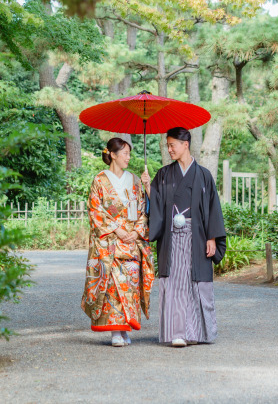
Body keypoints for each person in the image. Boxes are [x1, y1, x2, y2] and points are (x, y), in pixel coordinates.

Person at [147, 127, 226, 347]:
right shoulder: (163, 174)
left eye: (172, 144)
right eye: (168, 145)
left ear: (185, 144)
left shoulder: (203, 175)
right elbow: (158, 205)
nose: (169, 149)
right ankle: (178, 333)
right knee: (174, 283)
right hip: (172, 237)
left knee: (196, 283)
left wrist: (212, 237)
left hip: (197, 236)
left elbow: (213, 208)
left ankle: (198, 333)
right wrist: (147, 186)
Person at [81, 137, 155, 347]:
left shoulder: (135, 180)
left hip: (131, 240)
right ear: (112, 154)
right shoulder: (100, 180)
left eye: (129, 154)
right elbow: (95, 211)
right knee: (112, 286)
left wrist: (137, 231)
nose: (128, 158)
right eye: (125, 154)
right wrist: (118, 230)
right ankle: (115, 330)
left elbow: (143, 210)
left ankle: (125, 327)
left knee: (130, 285)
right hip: (110, 242)